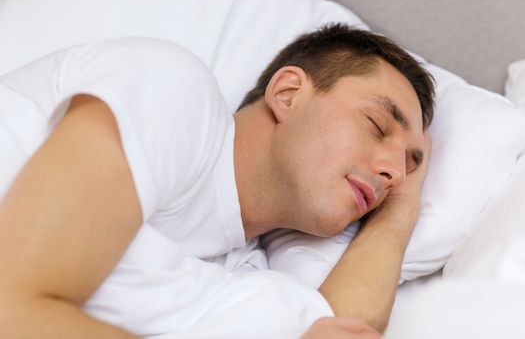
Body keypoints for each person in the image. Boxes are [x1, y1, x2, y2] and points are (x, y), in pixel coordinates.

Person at [0, 23, 434, 338]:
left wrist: (401, 208)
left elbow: (340, 326)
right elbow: (11, 310)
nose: (394, 172)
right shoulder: (173, 91)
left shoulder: (237, 271)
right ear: (288, 94)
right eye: (377, 127)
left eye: (409, 165)